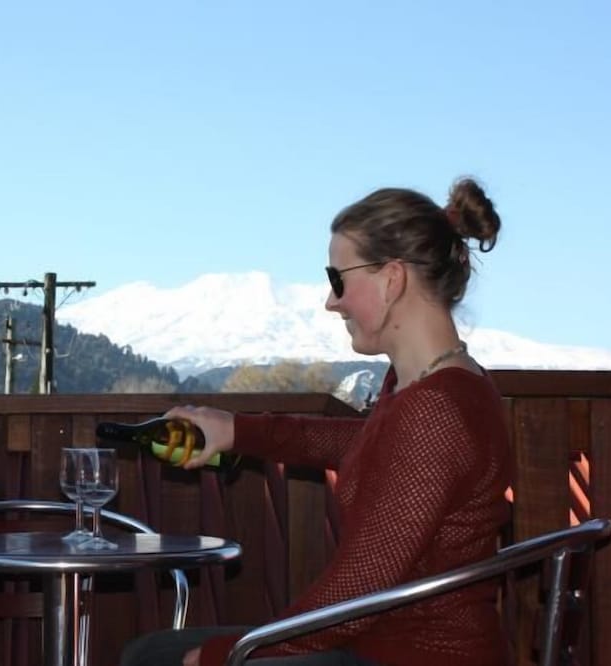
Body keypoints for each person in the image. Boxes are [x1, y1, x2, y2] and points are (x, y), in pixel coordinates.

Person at [120, 177, 512, 666]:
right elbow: (364, 443)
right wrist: (237, 430)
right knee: (152, 652)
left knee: (157, 659)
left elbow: (358, 590)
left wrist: (225, 655)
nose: (332, 301)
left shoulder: (438, 408)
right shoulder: (431, 386)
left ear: (392, 279)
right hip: (376, 645)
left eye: (338, 279)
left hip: (414, 656)